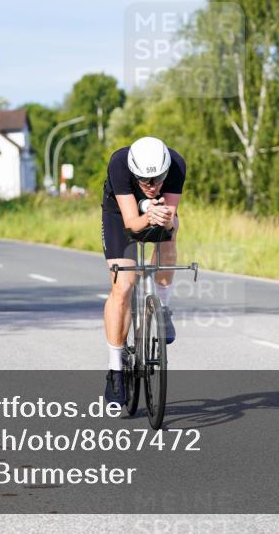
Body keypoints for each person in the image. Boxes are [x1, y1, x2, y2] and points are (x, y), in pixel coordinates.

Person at [100, 136, 186, 405]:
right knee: (123, 286)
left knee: (171, 233)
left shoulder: (176, 165)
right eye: (145, 181)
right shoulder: (119, 164)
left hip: (156, 212)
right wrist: (148, 216)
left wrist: (166, 221)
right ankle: (115, 370)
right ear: (134, 172)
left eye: (158, 179)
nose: (152, 186)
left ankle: (163, 306)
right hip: (120, 216)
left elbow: (170, 217)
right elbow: (131, 224)